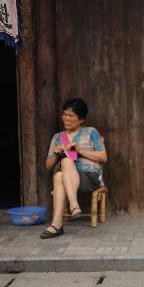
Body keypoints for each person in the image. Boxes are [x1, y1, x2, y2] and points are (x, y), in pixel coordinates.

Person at [40, 98, 107, 239]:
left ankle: (66, 213)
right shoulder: (58, 137)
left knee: (65, 164)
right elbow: (48, 166)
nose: (66, 118)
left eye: (70, 116)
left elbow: (103, 157)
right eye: (64, 115)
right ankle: (62, 219)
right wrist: (56, 154)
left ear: (81, 119)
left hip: (88, 178)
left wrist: (79, 151)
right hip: (66, 178)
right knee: (60, 171)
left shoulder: (91, 132)